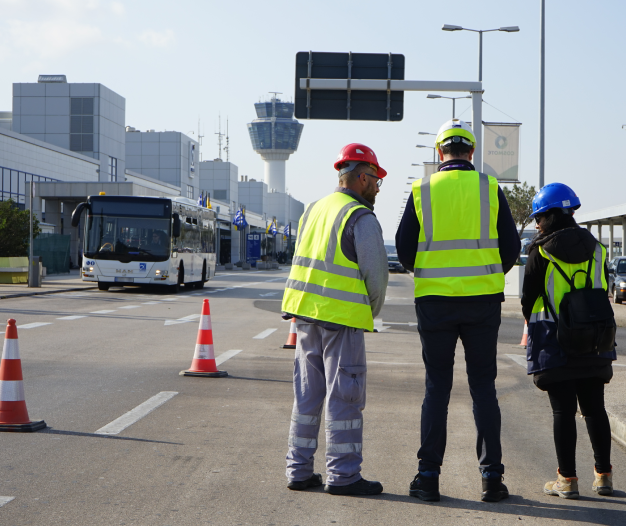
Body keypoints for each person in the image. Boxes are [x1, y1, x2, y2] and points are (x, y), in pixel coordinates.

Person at [395, 119, 521, 503]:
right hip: (483, 302)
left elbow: (403, 248)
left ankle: (428, 477)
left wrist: (430, 273)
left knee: (438, 387)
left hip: (434, 303)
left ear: (439, 154)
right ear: (471, 152)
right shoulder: (489, 187)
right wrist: (486, 274)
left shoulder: (422, 189)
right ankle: (491, 479)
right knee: (483, 387)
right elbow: (512, 247)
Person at [282, 143, 389, 496]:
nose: (376, 188)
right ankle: (343, 476)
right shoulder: (360, 217)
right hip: (340, 320)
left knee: (307, 396)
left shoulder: (313, 210)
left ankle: (298, 471)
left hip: (304, 317)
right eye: (375, 181)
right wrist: (367, 311)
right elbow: (376, 277)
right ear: (362, 177)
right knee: (344, 397)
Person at [521, 183, 616, 499]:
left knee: (563, 411)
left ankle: (567, 480)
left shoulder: (542, 252)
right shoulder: (598, 249)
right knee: (595, 409)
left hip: (556, 341)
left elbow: (528, 300)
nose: (536, 224)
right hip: (595, 339)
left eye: (538, 218)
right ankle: (603, 476)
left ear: (547, 217)